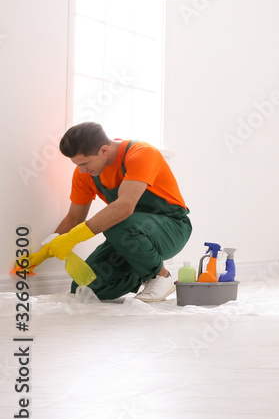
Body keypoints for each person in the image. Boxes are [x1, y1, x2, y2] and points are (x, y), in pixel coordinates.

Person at [20, 122, 191, 301]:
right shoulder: (85, 174)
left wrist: (72, 238)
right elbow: (73, 218)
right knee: (84, 288)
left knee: (117, 223)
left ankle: (159, 277)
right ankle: (143, 269)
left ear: (103, 150)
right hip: (131, 235)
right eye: (77, 164)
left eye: (85, 163)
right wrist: (42, 254)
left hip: (172, 227)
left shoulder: (141, 153)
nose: (81, 170)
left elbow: (124, 207)